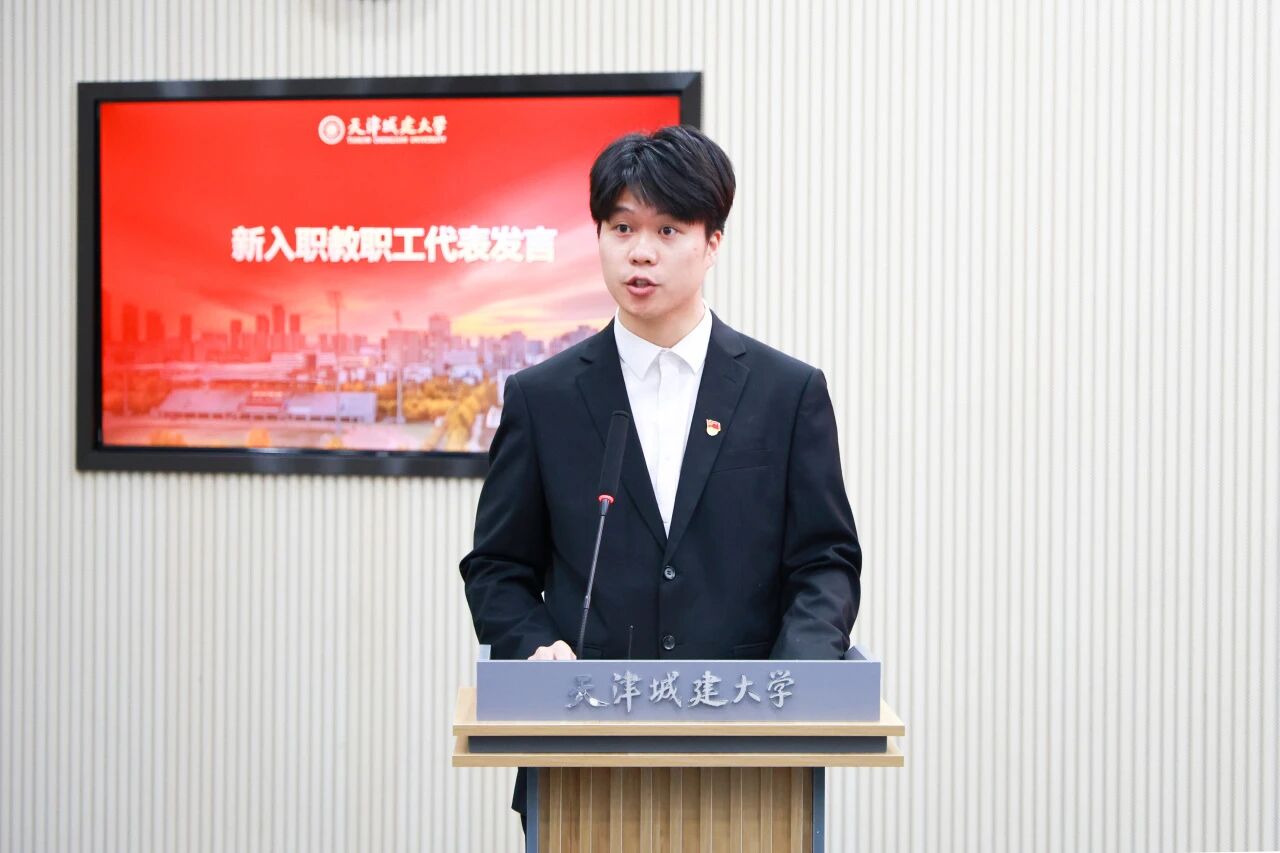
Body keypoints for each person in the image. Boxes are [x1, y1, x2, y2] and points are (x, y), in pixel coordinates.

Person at [458, 124, 862, 834]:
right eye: (622, 228)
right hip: (582, 758)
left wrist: (795, 683)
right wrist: (532, 646)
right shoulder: (543, 398)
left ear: (713, 242)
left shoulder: (786, 392)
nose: (640, 251)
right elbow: (497, 566)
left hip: (751, 759)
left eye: (668, 229)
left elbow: (825, 561)